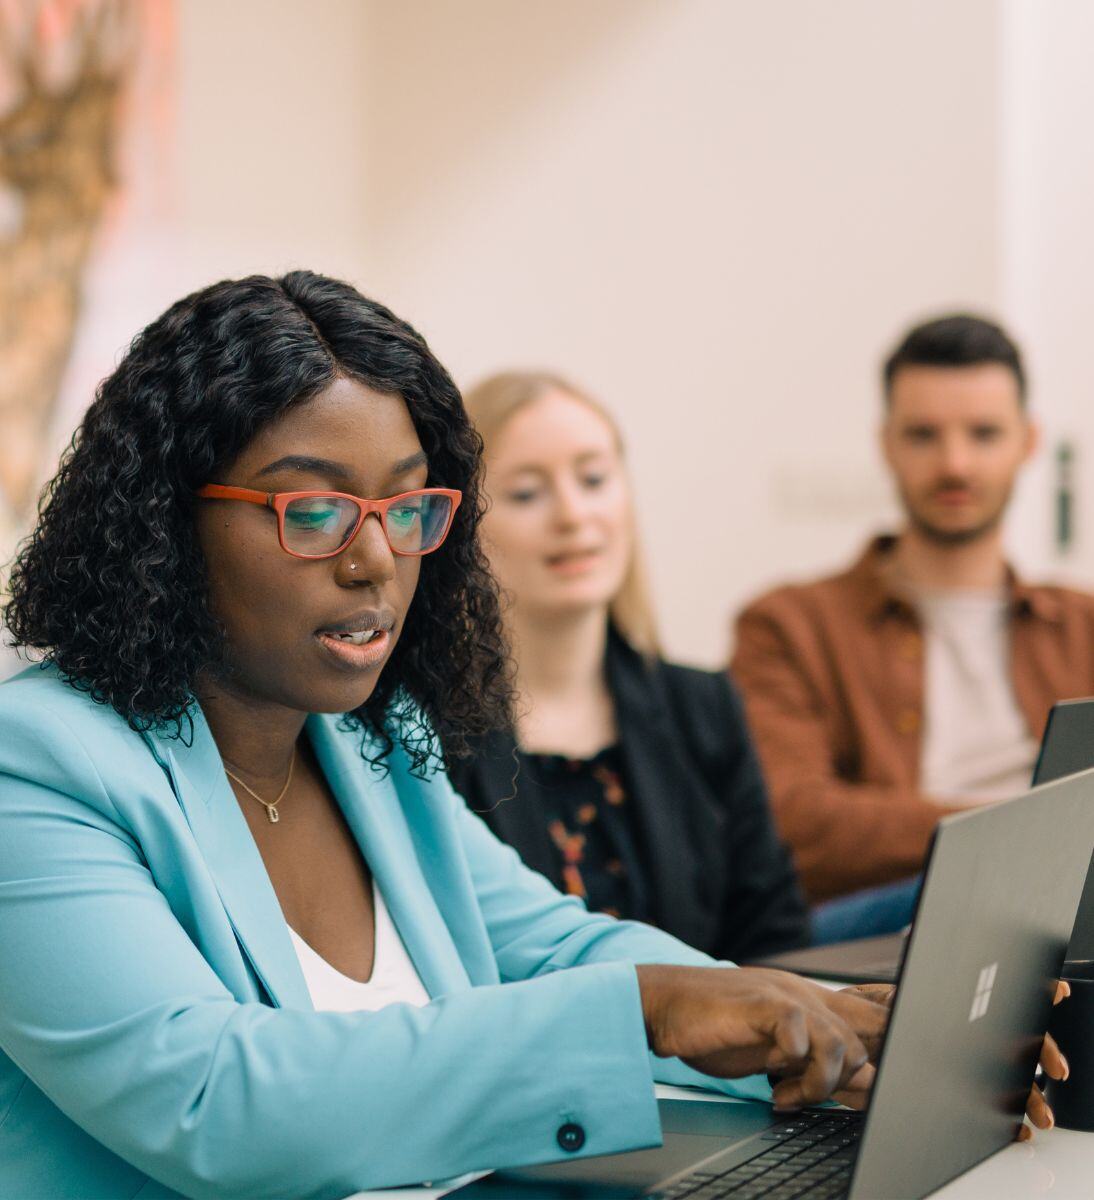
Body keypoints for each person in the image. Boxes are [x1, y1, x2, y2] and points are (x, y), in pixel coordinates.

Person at [0, 272, 896, 1199]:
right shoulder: (33, 768)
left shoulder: (372, 744)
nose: (375, 560)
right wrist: (646, 1011)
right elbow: (216, 1101)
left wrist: (832, 1032)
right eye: (313, 512)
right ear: (165, 522)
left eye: (407, 508)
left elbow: (556, 949)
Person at [731, 314, 1094, 936]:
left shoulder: (1081, 624)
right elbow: (792, 822)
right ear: (887, 445)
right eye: (924, 435)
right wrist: (1023, 831)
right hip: (886, 918)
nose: (955, 463)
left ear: (1028, 442)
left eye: (984, 434)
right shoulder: (789, 625)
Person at [451, 370, 809, 962]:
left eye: (594, 479)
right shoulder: (423, 730)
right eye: (526, 493)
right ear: (463, 524)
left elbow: (771, 930)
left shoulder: (703, 706)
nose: (572, 514)